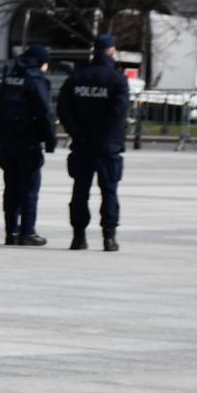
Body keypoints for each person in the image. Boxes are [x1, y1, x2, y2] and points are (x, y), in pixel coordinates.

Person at [56, 34, 130, 252]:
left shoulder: (77, 77)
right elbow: (118, 111)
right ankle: (109, 238)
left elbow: (63, 109)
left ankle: (78, 237)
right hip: (107, 145)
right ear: (112, 52)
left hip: (82, 144)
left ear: (93, 52)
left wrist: (78, 132)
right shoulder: (117, 79)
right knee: (109, 191)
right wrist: (101, 133)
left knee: (80, 191)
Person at [0, 45, 56, 246]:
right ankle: (27, 231)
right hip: (28, 140)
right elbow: (44, 112)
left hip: (6, 140)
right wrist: (50, 138)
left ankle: (11, 231)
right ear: (41, 63)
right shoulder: (36, 80)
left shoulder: (11, 76)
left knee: (11, 187)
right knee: (29, 188)